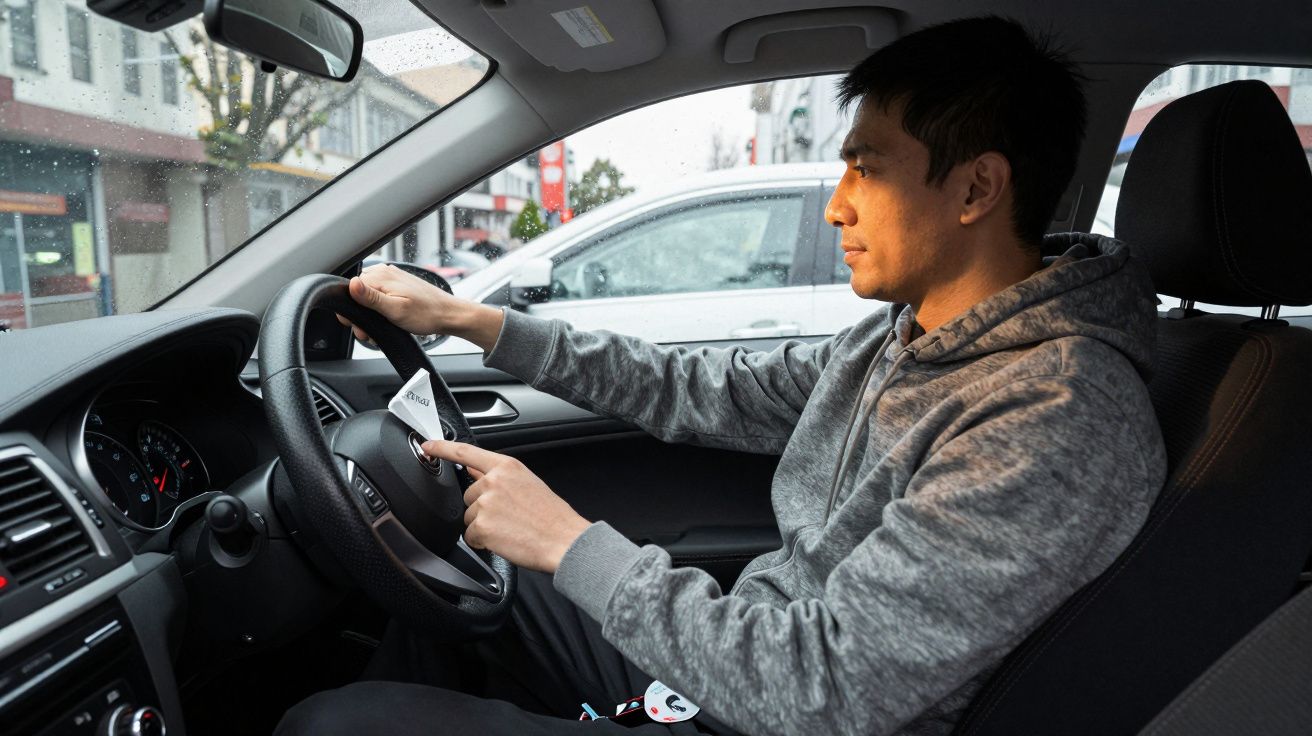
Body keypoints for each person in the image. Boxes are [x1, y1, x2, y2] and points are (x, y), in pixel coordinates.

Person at [278, 15, 1165, 736]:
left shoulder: (1053, 415)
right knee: (454, 585)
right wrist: (475, 322)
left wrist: (570, 542)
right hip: (734, 670)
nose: (837, 203)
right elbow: (694, 388)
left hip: (777, 711)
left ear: (976, 190)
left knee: (334, 724)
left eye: (869, 167)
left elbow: (826, 690)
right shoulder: (897, 341)